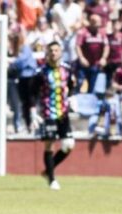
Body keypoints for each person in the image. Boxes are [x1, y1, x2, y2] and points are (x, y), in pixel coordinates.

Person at [32, 41, 75, 190]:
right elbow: (33, 92)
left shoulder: (67, 69)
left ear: (61, 52)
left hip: (63, 112)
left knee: (68, 145)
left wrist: (71, 97)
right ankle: (52, 179)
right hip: (48, 112)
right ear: (47, 53)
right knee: (49, 144)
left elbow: (71, 85)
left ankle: (47, 171)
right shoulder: (41, 72)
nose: (54, 53)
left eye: (56, 50)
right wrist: (33, 111)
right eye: (51, 51)